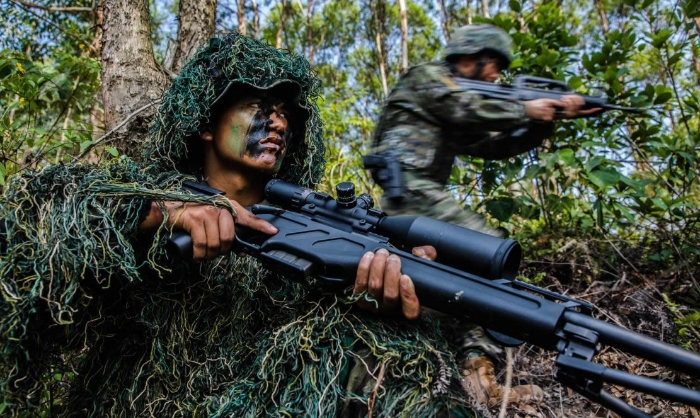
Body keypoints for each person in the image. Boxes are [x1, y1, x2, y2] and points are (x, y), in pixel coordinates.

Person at [0, 32, 478, 417]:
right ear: (207, 124)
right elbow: (34, 218)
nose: (277, 123)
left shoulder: (316, 225)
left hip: (273, 398)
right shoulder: (144, 192)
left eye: (286, 113)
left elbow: (315, 345)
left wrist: (379, 302)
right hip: (144, 401)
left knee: (400, 358)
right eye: (257, 106)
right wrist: (166, 213)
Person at [366, 23, 601, 406]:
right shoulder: (429, 77)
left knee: (460, 273)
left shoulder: (464, 98)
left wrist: (542, 123)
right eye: (493, 64)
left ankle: (475, 375)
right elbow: (463, 106)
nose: (496, 75)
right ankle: (479, 378)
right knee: (489, 252)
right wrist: (526, 106)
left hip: (419, 194)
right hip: (409, 189)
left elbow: (491, 147)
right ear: (472, 56)